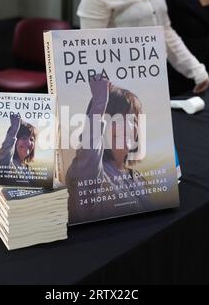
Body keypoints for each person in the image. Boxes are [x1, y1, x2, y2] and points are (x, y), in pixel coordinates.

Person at [77, 0, 209, 95]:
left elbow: (165, 32)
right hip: (119, 91)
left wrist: (196, 70)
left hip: (155, 82)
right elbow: (90, 49)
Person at [66, 75, 155, 224]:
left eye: (133, 119)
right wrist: (99, 104)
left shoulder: (138, 178)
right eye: (117, 119)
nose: (128, 126)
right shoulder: (87, 171)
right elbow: (90, 151)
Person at [0, 115, 37, 183]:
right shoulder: (6, 164)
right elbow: (4, 155)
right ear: (14, 142)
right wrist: (13, 131)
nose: (29, 143)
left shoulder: (30, 170)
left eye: (31, 139)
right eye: (24, 138)